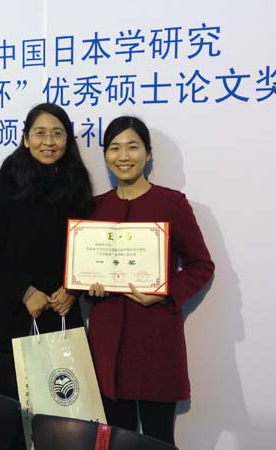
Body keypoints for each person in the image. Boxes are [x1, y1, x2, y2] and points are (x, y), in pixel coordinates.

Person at [87, 115, 214, 446]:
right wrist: (89, 286)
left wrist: (165, 293)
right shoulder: (95, 208)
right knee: (115, 440)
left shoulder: (172, 204)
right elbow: (83, 270)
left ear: (148, 153)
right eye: (114, 148)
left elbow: (201, 265)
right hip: (106, 342)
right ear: (105, 155)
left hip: (155, 341)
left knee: (158, 440)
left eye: (132, 147)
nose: (123, 156)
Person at [0, 102, 94, 400]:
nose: (49, 142)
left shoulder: (78, 188)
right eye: (40, 133)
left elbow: (88, 251)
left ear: (67, 140)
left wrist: (74, 289)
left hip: (60, 312)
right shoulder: (5, 187)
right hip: (11, 312)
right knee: (3, 410)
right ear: (26, 139)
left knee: (57, 410)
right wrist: (25, 292)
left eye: (57, 133)